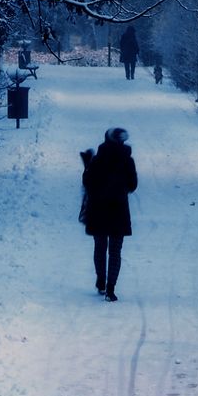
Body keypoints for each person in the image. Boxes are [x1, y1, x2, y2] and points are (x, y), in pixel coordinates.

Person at [81, 127, 137, 301]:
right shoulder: (128, 160)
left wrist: (87, 165)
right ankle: (111, 288)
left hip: (98, 209)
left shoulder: (98, 159)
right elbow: (132, 185)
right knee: (115, 251)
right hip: (118, 210)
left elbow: (88, 183)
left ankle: (100, 281)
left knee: (100, 247)